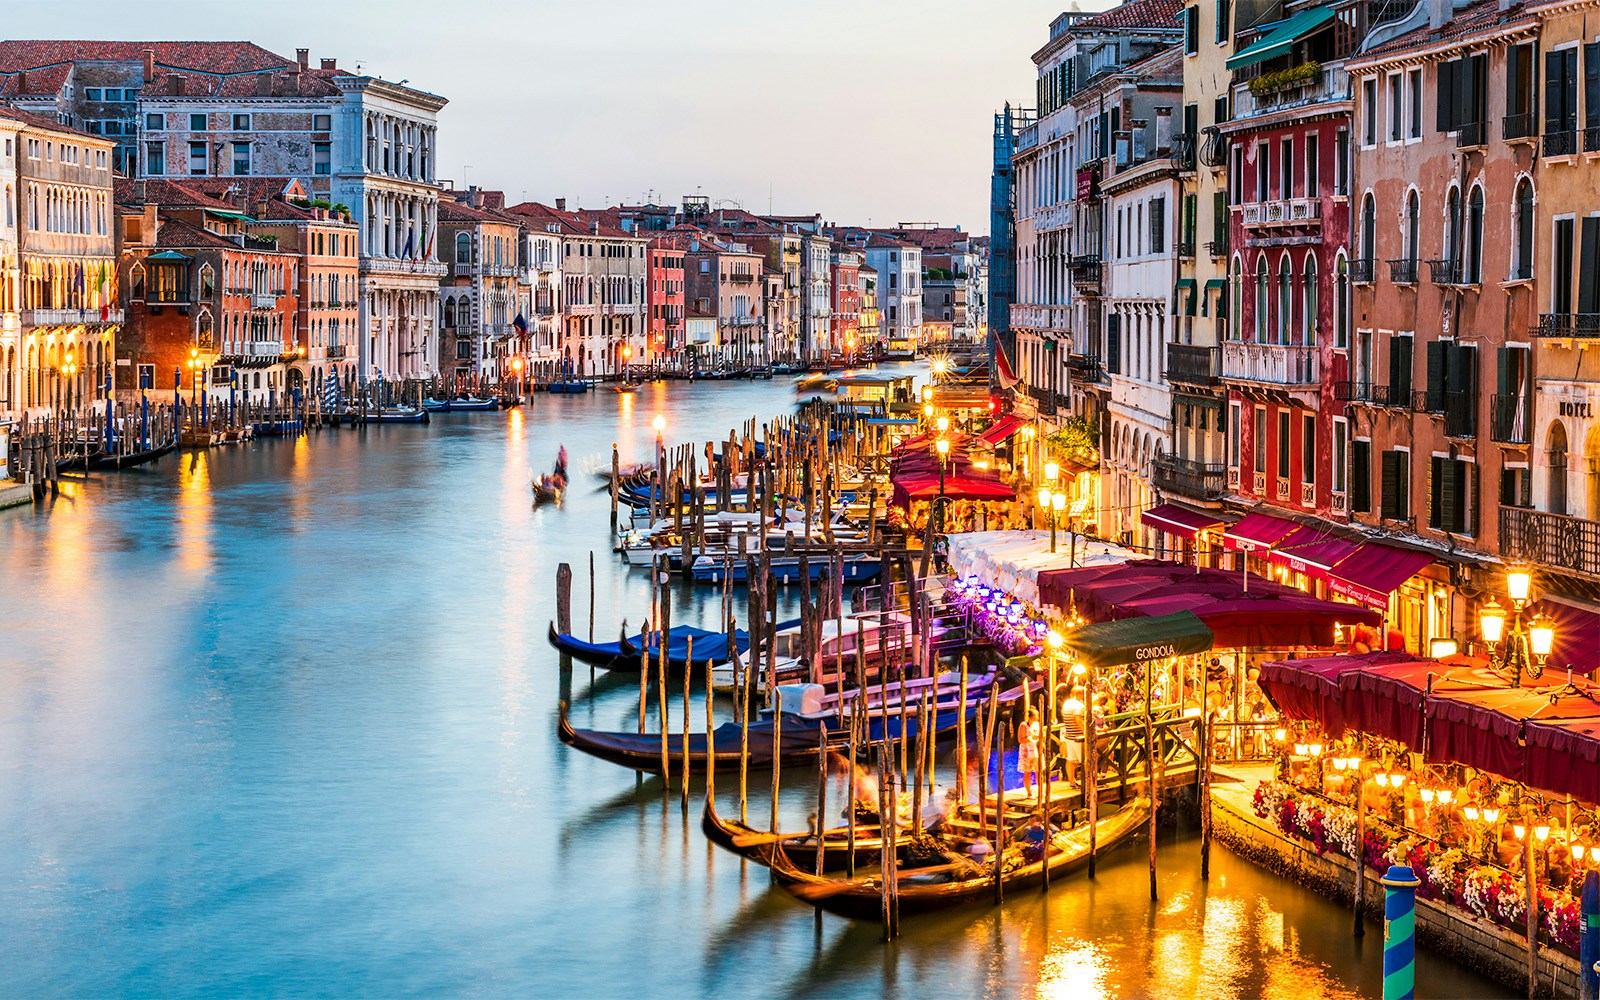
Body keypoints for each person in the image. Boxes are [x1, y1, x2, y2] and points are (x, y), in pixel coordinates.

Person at [1017, 706, 1042, 798]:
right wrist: (1030, 739)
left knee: (1038, 771)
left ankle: (1040, 791)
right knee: (1027, 772)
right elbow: (1020, 739)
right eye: (1036, 715)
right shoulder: (1023, 725)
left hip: (1035, 749)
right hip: (1026, 750)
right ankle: (1029, 792)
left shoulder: (1036, 724)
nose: (1037, 717)